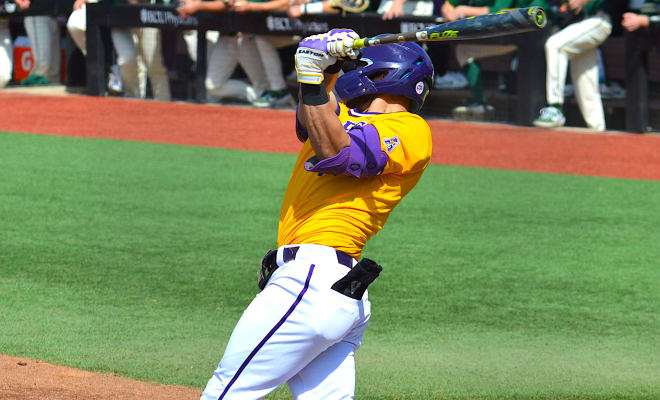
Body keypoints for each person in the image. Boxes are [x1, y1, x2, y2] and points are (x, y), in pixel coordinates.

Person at [199, 28, 434, 399]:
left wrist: (314, 75)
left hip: (313, 280)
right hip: (335, 293)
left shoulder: (411, 130)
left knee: (224, 394)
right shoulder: (339, 114)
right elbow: (310, 121)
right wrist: (324, 64)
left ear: (380, 72)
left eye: (358, 63)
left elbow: (338, 155)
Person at [442, 0, 548, 119]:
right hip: (502, 30)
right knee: (463, 51)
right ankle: (479, 103)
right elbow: (449, 4)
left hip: (532, 27)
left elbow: (498, 12)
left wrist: (462, 10)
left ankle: (538, 111)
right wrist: (448, 10)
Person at [533, 0, 613, 131]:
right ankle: (598, 129)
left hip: (597, 20)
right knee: (585, 82)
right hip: (576, 25)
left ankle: (555, 107)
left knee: (555, 45)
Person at [177, 0, 268, 104]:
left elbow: (227, 3)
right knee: (213, 86)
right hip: (226, 38)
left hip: (248, 38)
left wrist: (199, 5)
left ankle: (273, 104)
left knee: (263, 85)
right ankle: (257, 96)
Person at [231, 0, 297, 108]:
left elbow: (287, 2)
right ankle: (267, 90)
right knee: (246, 40)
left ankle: (279, 90)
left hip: (304, 25)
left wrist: (252, 6)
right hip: (271, 25)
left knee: (261, 38)